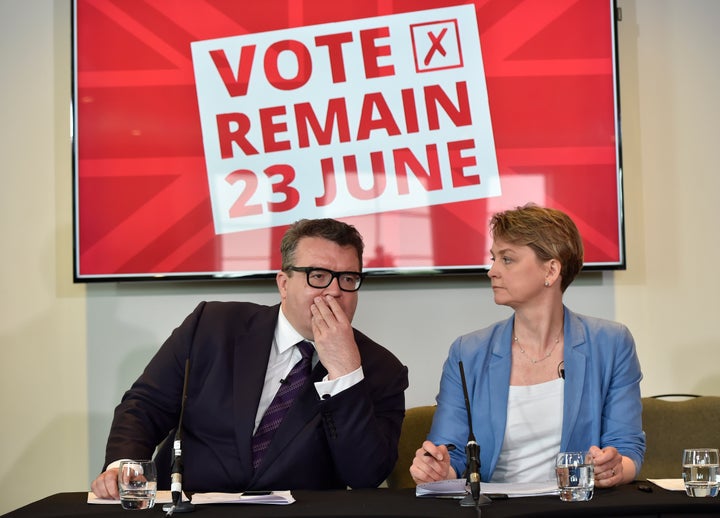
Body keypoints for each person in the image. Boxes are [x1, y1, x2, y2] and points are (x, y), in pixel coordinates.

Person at [91, 218, 409, 499]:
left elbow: (365, 475)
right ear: (284, 284)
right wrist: (124, 465)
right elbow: (146, 405)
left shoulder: (382, 370)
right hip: (189, 505)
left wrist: (344, 374)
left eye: (348, 279)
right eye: (318, 276)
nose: (335, 291)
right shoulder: (211, 326)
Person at [410, 204, 644, 488]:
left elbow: (627, 448)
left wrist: (615, 468)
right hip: (495, 509)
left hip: (577, 507)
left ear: (551, 269)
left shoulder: (611, 343)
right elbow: (453, 454)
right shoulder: (467, 352)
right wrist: (439, 470)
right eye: (493, 258)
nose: (492, 271)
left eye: (507, 259)